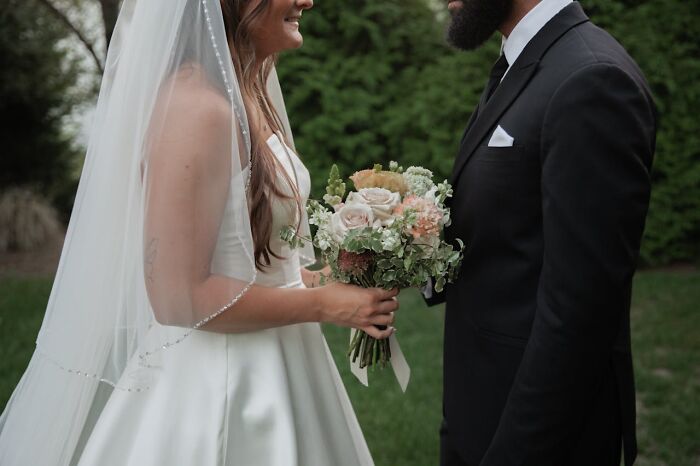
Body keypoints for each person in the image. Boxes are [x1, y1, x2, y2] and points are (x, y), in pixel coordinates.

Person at [0, 1, 398, 465]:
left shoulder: (244, 93)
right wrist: (323, 305)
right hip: (224, 385)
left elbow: (243, 259)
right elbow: (178, 296)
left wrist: (321, 280)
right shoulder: (195, 108)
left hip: (280, 356)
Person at [424, 0, 657, 465]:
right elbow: (511, 227)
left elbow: (581, 315)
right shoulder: (526, 61)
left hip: (535, 435)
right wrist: (405, 253)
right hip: (480, 408)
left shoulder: (591, 80)